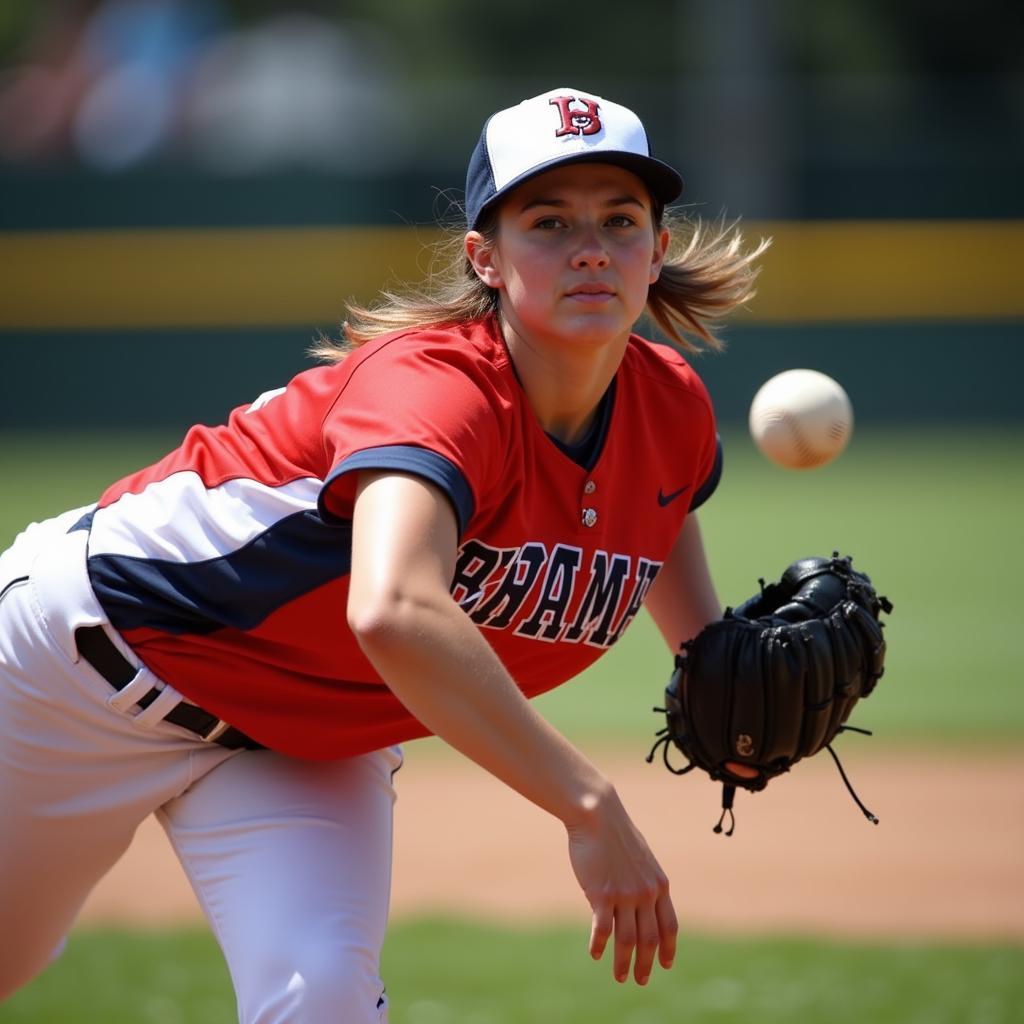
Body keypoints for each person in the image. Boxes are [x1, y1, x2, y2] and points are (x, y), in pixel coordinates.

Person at [0, 87, 767, 1021]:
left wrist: (725, 682)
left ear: (658, 249)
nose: (591, 247)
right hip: (79, 672)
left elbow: (664, 534)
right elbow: (393, 610)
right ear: (484, 257)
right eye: (549, 221)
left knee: (321, 995)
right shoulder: (438, 389)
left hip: (303, 743)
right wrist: (589, 804)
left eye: (620, 219)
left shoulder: (671, 408)